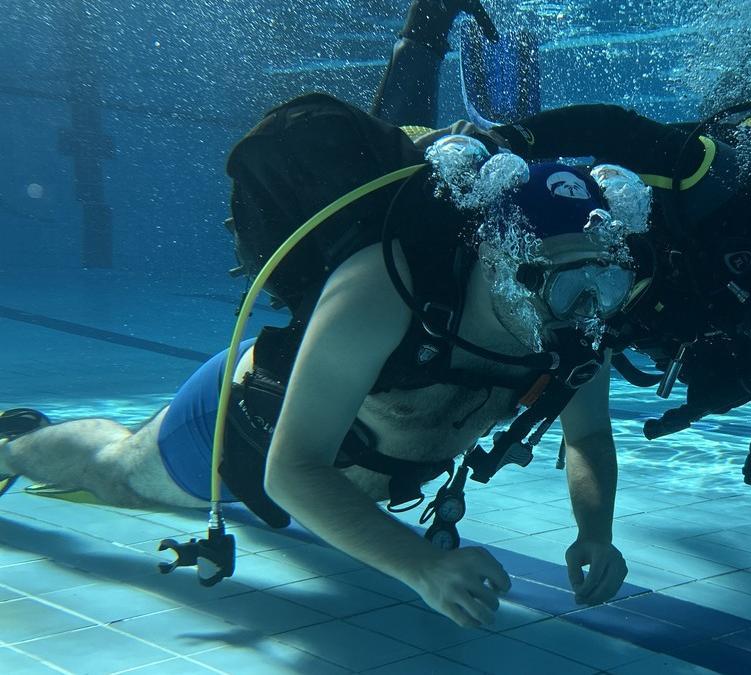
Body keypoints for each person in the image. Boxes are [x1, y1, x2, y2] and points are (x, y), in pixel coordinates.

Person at [367, 1, 751, 663]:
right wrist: (507, 144)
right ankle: (426, 29)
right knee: (398, 175)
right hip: (670, 254)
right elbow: (615, 128)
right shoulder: (739, 185)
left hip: (690, 322)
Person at [0, 91, 645, 627]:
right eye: (560, 284)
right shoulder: (384, 289)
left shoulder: (576, 322)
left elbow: (586, 434)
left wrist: (596, 532)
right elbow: (291, 470)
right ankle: (15, 443)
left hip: (356, 469)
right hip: (246, 428)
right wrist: (421, 566)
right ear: (495, 254)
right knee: (115, 476)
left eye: (600, 283)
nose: (581, 306)